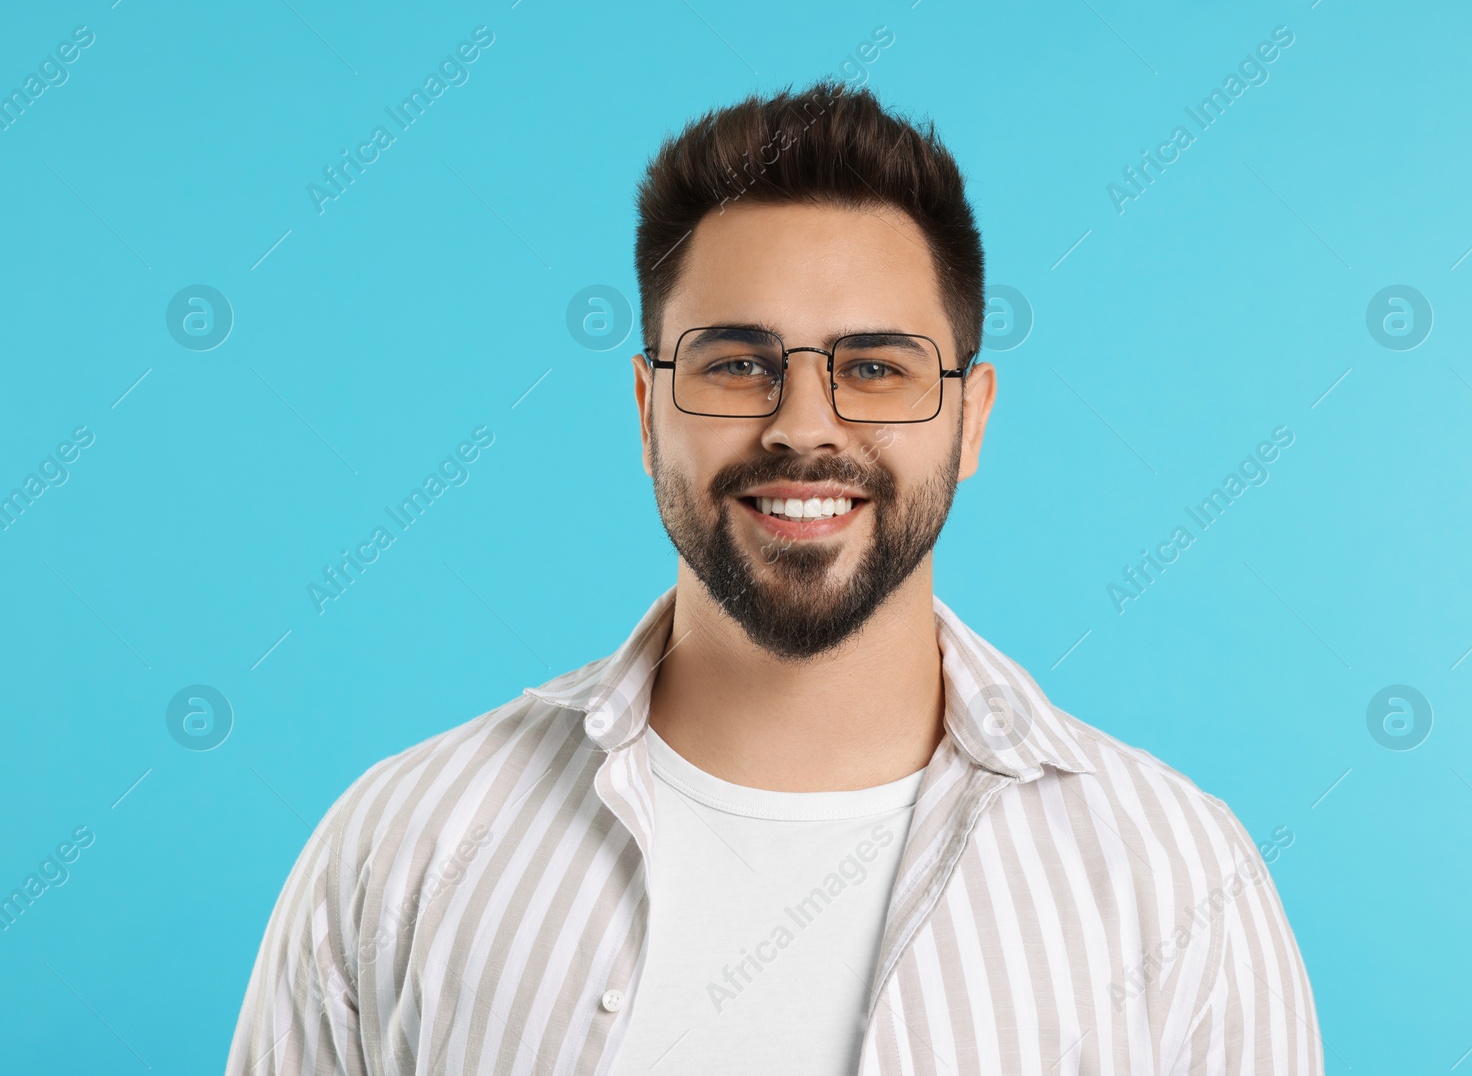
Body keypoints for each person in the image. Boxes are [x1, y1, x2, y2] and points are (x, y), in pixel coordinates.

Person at [227, 79, 1322, 1075]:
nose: (804, 425)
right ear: (649, 412)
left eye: (875, 369)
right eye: (738, 364)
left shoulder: (1179, 879)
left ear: (971, 417)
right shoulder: (404, 848)